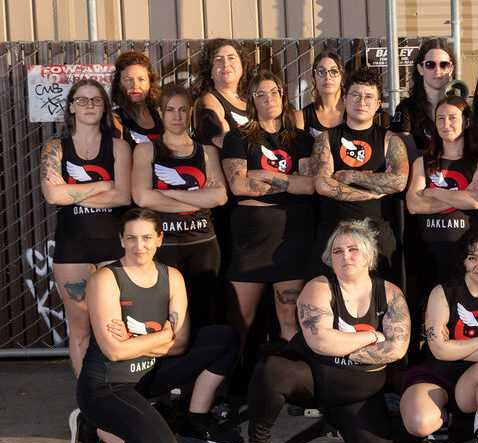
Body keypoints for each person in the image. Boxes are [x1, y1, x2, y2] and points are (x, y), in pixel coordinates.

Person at [225, 220, 410, 443]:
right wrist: (373, 337)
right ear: (330, 259)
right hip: (315, 380)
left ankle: (336, 423)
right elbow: (321, 342)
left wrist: (339, 346)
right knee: (270, 370)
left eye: (353, 249)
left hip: (358, 393)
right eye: (337, 251)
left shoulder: (390, 293)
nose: (345, 256)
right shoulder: (318, 288)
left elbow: (397, 349)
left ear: (368, 254)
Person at [72, 208, 241, 443]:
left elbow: (180, 343)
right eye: (131, 238)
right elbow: (114, 352)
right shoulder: (105, 279)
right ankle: (94, 425)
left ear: (160, 239)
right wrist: (163, 335)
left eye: (147, 238)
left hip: (149, 374)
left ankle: (194, 419)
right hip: (108, 386)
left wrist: (132, 343)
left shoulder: (172, 277)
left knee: (224, 338)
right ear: (121, 240)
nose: (139, 246)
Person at [399, 227, 478, 443]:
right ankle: (441, 414)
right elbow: (438, 350)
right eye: (472, 258)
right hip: (434, 374)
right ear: (464, 261)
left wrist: (452, 348)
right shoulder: (442, 292)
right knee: (420, 424)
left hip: (476, 381)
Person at [40, 79, 132, 377]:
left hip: (112, 245)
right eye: (82, 100)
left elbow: (123, 196)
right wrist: (104, 184)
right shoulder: (55, 148)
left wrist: (71, 192)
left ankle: (116, 389)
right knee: (80, 325)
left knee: (115, 324)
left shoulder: (118, 147)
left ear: (104, 107)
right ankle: (86, 395)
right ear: (71, 107)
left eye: (96, 100)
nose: (89, 105)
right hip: (72, 248)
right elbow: (53, 195)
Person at [220, 71, 316, 342]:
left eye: (274, 92)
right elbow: (238, 186)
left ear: (283, 96)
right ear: (251, 101)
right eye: (260, 94)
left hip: (292, 235)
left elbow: (308, 186)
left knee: (289, 318)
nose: (268, 99)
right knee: (240, 320)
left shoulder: (301, 139)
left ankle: (290, 368)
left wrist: (264, 175)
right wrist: (289, 182)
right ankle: (231, 371)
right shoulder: (237, 138)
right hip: (251, 239)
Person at [132, 84, 227, 331]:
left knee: (204, 317)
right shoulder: (146, 150)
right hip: (163, 246)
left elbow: (219, 197)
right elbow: (142, 198)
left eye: (183, 109)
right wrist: (198, 196)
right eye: (170, 110)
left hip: (202, 245)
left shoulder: (206, 152)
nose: (177, 116)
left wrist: (165, 193)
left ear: (191, 112)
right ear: (160, 113)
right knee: (163, 318)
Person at [313, 68, 409, 281]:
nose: (361, 102)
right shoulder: (326, 139)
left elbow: (399, 182)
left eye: (369, 97)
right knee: (330, 296)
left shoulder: (390, 140)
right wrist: (371, 192)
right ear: (344, 99)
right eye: (355, 95)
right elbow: (323, 185)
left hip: (376, 234)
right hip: (335, 234)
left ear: (378, 104)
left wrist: (353, 176)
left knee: (380, 297)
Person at [405, 95, 478, 296]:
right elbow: (413, 205)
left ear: (466, 122)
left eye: (453, 117)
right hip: (428, 255)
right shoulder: (422, 162)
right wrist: (459, 196)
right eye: (440, 118)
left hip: (468, 256)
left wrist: (434, 192)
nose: (446, 124)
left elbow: (475, 201)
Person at [390, 37, 455, 161]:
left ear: (450, 69)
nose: (437, 70)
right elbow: (408, 158)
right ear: (420, 69)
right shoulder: (406, 109)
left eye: (444, 65)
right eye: (430, 64)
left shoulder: (460, 108)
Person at [193, 39, 252, 149]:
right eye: (218, 60)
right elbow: (223, 142)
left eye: (231, 58)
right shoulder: (208, 101)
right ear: (209, 71)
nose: (226, 64)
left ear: (242, 66)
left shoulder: (253, 97)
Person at [110, 51, 163, 148]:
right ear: (119, 84)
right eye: (128, 79)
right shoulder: (115, 119)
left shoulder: (161, 115)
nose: (135, 85)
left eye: (141, 79)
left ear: (150, 82)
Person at [294, 51, 346, 139]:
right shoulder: (301, 117)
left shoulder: (355, 112)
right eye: (321, 72)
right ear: (313, 80)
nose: (327, 77)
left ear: (342, 79)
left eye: (334, 71)